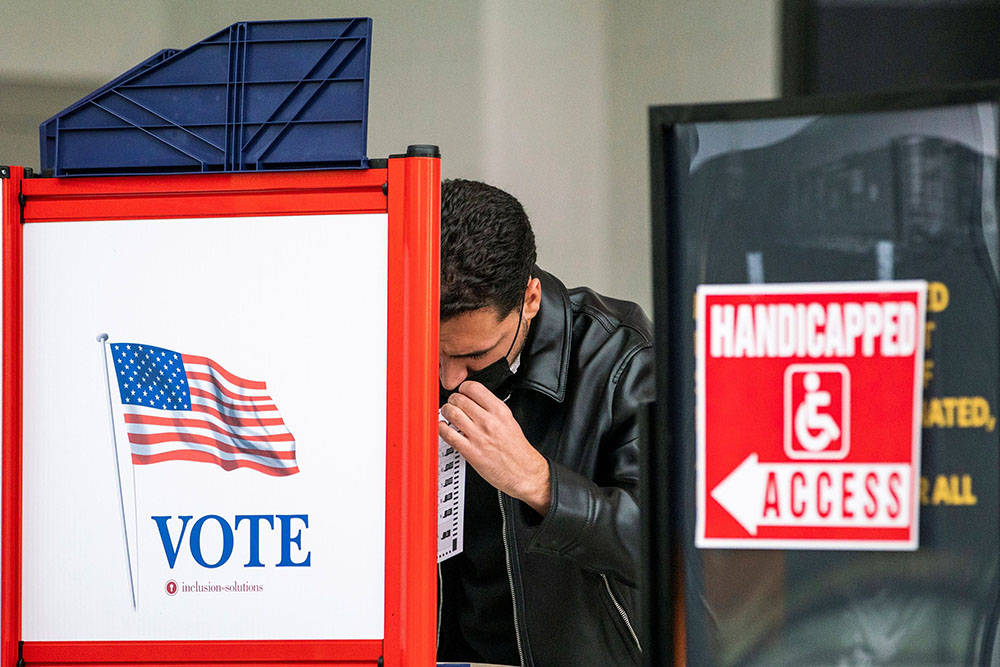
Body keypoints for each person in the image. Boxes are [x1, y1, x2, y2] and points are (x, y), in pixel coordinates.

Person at [436, 179, 653, 667]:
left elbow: (665, 546)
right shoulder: (387, 350)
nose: (450, 378)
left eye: (474, 356)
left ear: (529, 300)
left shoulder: (621, 357)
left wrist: (538, 482)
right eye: (434, 353)